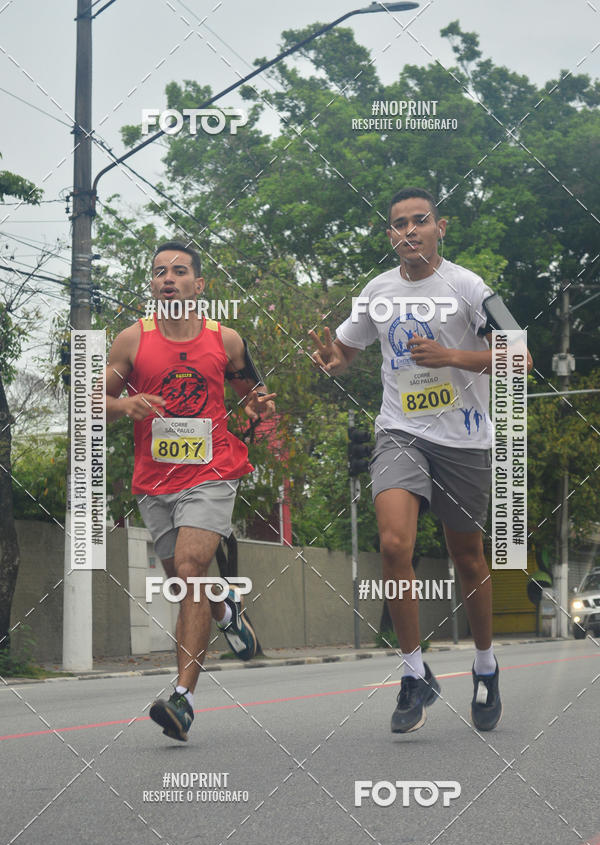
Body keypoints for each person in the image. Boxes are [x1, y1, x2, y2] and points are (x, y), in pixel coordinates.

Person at [310, 187, 532, 734]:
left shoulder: (470, 288)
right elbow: (348, 350)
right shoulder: (377, 291)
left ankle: (485, 666)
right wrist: (334, 359)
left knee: (468, 557)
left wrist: (451, 355)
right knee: (393, 545)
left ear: (440, 228)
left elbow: (521, 358)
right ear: (390, 236)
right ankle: (414, 674)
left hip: (464, 439)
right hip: (400, 432)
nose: (409, 230)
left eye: (420, 220)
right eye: (399, 224)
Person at [105, 240, 276, 741]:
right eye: (160, 271)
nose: (168, 278)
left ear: (198, 285)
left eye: (179, 271)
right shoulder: (132, 341)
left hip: (212, 470)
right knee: (185, 585)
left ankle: (183, 699)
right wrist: (125, 406)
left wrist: (258, 407)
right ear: (152, 284)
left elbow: (254, 395)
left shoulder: (227, 340)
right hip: (155, 480)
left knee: (189, 568)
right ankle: (225, 607)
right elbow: (92, 400)